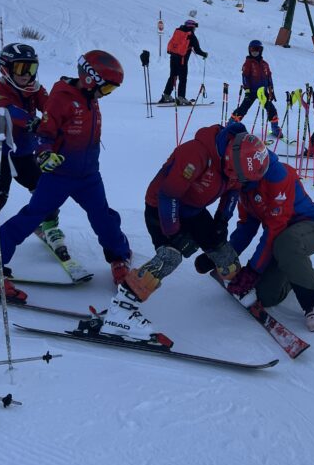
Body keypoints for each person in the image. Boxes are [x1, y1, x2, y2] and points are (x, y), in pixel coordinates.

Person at [0, 50, 131, 302]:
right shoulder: (62, 97)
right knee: (26, 218)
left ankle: (120, 258)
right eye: (108, 88)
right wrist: (45, 153)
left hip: (89, 176)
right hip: (59, 175)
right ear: (90, 78)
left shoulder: (89, 97)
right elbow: (45, 131)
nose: (107, 93)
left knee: (104, 218)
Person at [98, 125, 268, 339]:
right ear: (230, 158)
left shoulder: (238, 165)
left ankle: (237, 284)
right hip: (162, 208)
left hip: (193, 209)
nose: (240, 179)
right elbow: (167, 195)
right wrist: (174, 233)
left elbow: (233, 189)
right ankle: (120, 310)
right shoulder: (196, 153)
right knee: (170, 257)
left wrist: (221, 221)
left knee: (222, 250)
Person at [0, 43, 66, 268]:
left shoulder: (35, 88)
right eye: (20, 69)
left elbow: (50, 106)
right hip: (2, 153)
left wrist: (60, 119)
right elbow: (9, 111)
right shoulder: (1, 89)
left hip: (25, 152)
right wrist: (32, 121)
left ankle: (48, 226)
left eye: (31, 69)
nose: (26, 75)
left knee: (45, 190)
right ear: (6, 69)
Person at [214, 149, 314, 332]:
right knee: (266, 296)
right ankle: (295, 269)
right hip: (282, 242)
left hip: (312, 226)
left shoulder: (279, 177)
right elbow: (246, 226)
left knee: (286, 242)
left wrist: (252, 270)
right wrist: (225, 257)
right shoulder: (245, 189)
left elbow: (275, 229)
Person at [230, 40, 282, 141]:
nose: (255, 52)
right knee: (243, 109)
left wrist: (271, 90)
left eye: (257, 49)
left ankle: (275, 128)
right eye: (252, 49)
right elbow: (245, 77)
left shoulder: (265, 64)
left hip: (263, 92)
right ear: (249, 50)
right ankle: (231, 125)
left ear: (261, 50)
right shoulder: (248, 63)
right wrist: (247, 90)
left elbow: (269, 77)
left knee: (271, 109)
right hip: (252, 91)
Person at [159, 20, 207, 106]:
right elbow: (197, 50)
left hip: (173, 57)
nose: (195, 29)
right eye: (194, 27)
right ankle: (181, 97)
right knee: (183, 78)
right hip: (182, 59)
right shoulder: (190, 35)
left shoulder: (178, 31)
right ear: (191, 27)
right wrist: (205, 54)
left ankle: (166, 95)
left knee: (173, 76)